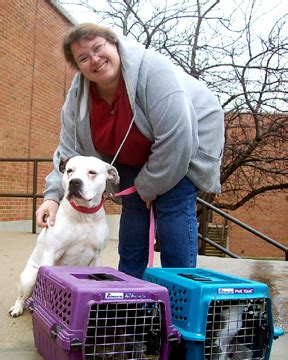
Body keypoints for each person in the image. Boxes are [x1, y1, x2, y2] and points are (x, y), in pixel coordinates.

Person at [36, 23, 224, 279]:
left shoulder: (153, 71)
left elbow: (177, 139)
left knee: (172, 207)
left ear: (115, 44)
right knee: (134, 209)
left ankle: (180, 295)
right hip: (132, 151)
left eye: (98, 47)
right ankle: (130, 294)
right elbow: (70, 152)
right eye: (83, 58)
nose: (94, 59)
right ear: (78, 67)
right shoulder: (78, 98)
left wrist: (149, 185)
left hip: (188, 142)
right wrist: (51, 196)